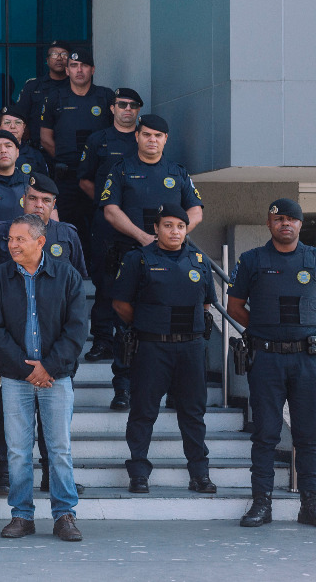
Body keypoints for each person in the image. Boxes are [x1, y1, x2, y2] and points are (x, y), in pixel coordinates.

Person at [228, 198, 316, 529]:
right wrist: (262, 333)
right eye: (279, 219)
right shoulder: (251, 260)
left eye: (292, 219)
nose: (285, 224)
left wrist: (306, 331)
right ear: (269, 223)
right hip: (266, 359)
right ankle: (262, 504)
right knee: (265, 433)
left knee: (308, 434)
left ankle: (311, 505)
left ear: (300, 224)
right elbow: (235, 306)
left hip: (307, 361)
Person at [0, 214, 88, 542]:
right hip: (15, 379)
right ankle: (22, 515)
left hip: (56, 379)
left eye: (20, 239)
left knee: (59, 449)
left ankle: (64, 515)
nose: (12, 244)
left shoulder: (67, 276)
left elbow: (77, 329)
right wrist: (29, 369)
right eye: (10, 239)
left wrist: (49, 367)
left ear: (40, 242)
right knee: (17, 450)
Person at [108, 203, 217, 496]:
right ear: (156, 229)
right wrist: (150, 324)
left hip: (191, 348)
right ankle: (139, 474)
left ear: (186, 230)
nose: (174, 231)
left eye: (180, 226)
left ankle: (199, 474)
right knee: (143, 412)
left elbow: (206, 303)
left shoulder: (198, 260)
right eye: (168, 225)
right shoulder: (138, 259)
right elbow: (120, 303)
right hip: (152, 347)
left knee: (193, 413)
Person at [98, 113, 203, 408]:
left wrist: (173, 236)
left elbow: (195, 211)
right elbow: (110, 210)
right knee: (126, 328)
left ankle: (171, 390)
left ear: (165, 139)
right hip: (130, 255)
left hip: (172, 261)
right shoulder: (121, 170)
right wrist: (144, 238)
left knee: (171, 322)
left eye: (158, 136)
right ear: (137, 136)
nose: (152, 140)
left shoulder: (177, 172)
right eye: (146, 135)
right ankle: (124, 388)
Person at [78, 87, 143, 361]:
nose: (126, 109)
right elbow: (84, 179)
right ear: (112, 108)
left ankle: (131, 341)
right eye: (121, 104)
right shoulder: (98, 140)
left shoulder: (145, 139)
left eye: (132, 105)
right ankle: (102, 341)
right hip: (106, 225)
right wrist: (109, 204)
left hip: (138, 226)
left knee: (135, 284)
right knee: (105, 283)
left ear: (138, 109)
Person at [38, 47, 112, 236]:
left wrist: (89, 166)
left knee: (100, 229)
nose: (79, 70)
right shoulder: (55, 97)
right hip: (66, 177)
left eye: (84, 65)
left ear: (93, 70)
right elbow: (46, 138)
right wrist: (69, 162)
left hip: (98, 177)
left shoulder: (105, 97)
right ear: (67, 70)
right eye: (74, 65)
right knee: (65, 231)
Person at [14, 40, 72, 135]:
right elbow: (19, 117)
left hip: (68, 145)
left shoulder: (76, 86)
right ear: (47, 60)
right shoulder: (33, 86)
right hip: (36, 146)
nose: (59, 58)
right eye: (54, 54)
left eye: (64, 55)